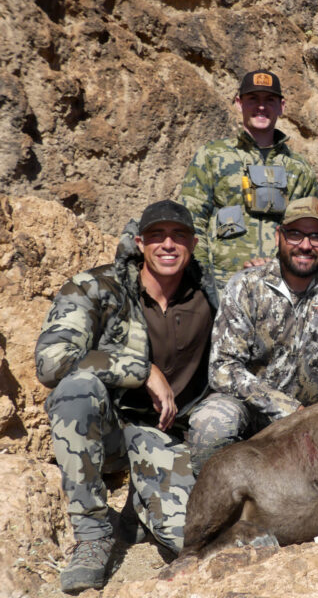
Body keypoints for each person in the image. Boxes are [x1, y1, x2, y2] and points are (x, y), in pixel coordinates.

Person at [35, 201, 215, 593]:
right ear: (139, 242)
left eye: (179, 236)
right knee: (75, 390)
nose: (168, 244)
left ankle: (138, 509)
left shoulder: (212, 291)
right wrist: (141, 370)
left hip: (168, 436)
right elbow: (51, 363)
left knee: (188, 537)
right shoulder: (96, 287)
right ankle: (93, 534)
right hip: (111, 430)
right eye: (156, 236)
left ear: (194, 243)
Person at [188, 197, 318, 474]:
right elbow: (222, 368)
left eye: (316, 236)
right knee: (212, 421)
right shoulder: (246, 285)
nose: (305, 245)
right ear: (278, 236)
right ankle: (209, 503)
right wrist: (285, 408)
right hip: (256, 413)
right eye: (295, 234)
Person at [179, 69, 317, 293]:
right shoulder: (212, 156)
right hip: (223, 287)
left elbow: (309, 232)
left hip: (281, 287)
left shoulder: (299, 168)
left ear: (282, 106)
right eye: (253, 99)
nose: (261, 107)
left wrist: (283, 271)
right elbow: (191, 221)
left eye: (269, 100)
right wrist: (204, 280)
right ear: (238, 103)